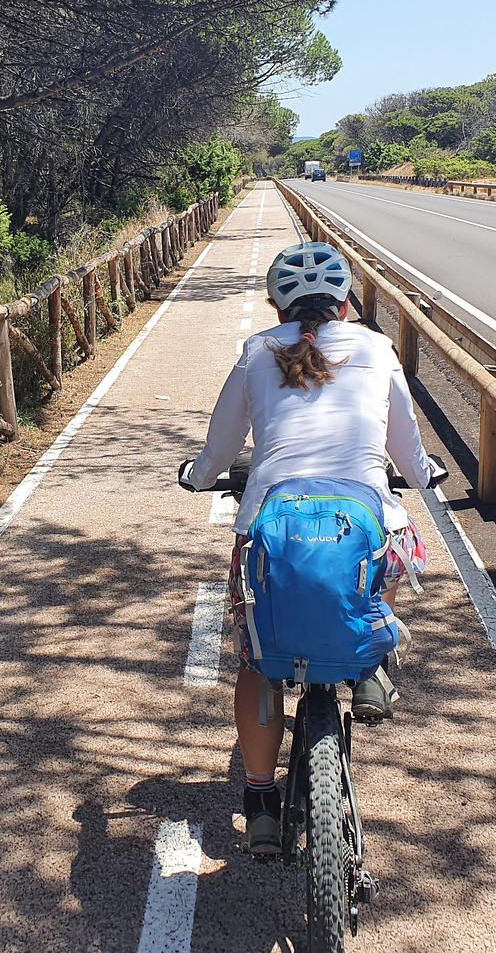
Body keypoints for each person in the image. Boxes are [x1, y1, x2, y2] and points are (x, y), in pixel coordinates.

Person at [178, 241, 446, 855]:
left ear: (277, 307)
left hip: (271, 523)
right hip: (363, 518)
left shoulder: (256, 352)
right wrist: (425, 474)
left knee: (257, 658)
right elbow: (407, 449)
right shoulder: (377, 349)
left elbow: (221, 448)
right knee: (391, 539)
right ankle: (372, 666)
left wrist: (198, 476)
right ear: (345, 304)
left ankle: (259, 801)